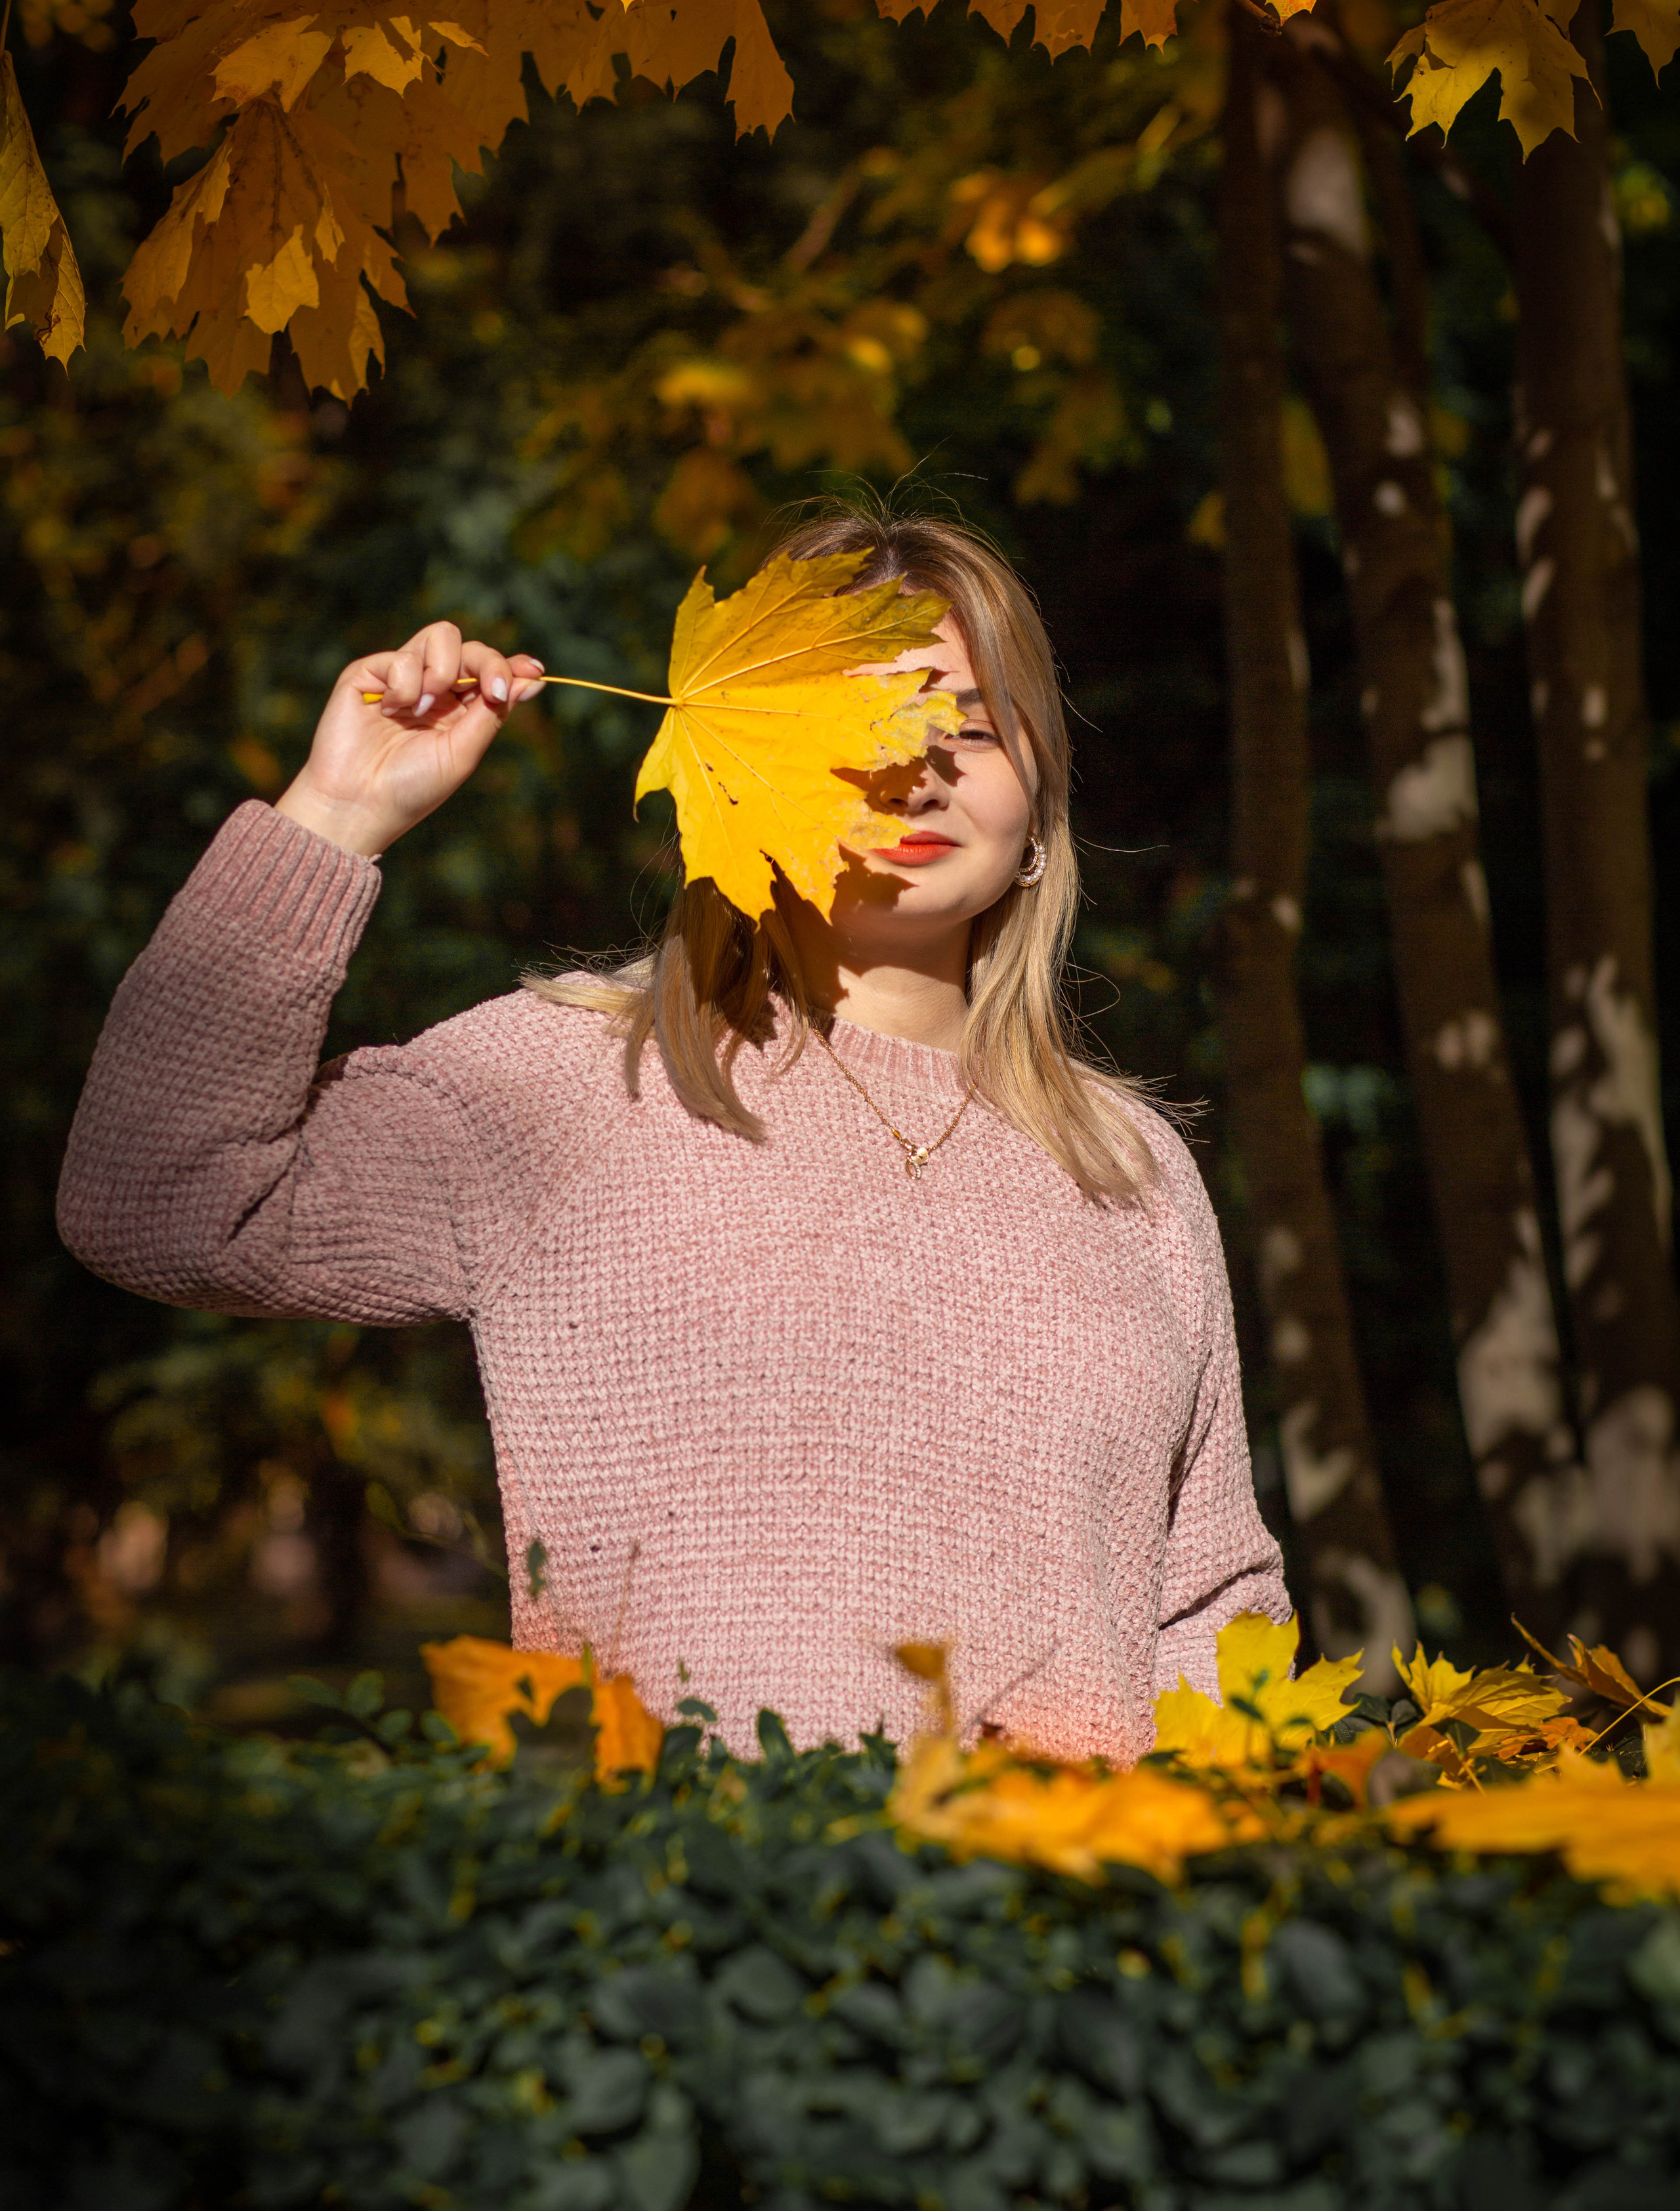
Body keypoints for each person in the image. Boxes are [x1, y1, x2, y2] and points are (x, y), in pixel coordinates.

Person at [58, 505, 1288, 1760]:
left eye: (968, 726)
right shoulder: (574, 1086)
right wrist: (334, 814)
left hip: (1069, 1921)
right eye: (848, 728)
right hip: (687, 1923)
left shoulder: (1129, 1171)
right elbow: (161, 1196)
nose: (913, 768)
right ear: (741, 768)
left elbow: (1206, 1609)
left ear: (1040, 800)